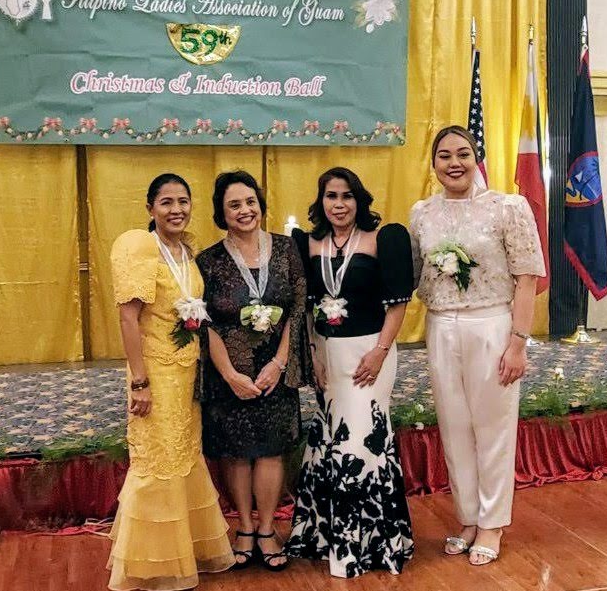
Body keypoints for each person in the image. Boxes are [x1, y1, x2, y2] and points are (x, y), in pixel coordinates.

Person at [410, 125, 545, 566]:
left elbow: (527, 277)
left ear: (476, 157)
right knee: (453, 426)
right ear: (433, 165)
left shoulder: (507, 207)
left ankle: (492, 523)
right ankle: (467, 517)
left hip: (491, 324)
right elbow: (412, 277)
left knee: (493, 428)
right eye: (445, 155)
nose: (454, 163)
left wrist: (518, 343)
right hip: (440, 326)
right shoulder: (422, 214)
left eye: (463, 154)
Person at [285, 166, 415, 578]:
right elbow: (303, 306)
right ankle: (329, 537)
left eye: (346, 196)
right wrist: (312, 352)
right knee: (330, 441)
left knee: (360, 443)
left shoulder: (383, 238)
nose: (338, 204)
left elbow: (397, 304)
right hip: (327, 355)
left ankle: (366, 545)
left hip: (370, 353)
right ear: (320, 201)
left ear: (359, 200)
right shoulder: (306, 243)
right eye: (331, 196)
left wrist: (380, 351)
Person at [107, 173, 234, 590]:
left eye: (183, 201)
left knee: (182, 455)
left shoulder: (183, 250)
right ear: (150, 209)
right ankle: (152, 564)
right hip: (155, 373)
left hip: (185, 373)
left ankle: (188, 550)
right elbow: (128, 317)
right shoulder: (140, 247)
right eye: (166, 202)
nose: (176, 209)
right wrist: (139, 381)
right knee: (157, 461)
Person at [196, 170, 311, 572]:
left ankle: (266, 529)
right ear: (221, 213)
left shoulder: (285, 248)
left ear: (260, 204)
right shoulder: (208, 261)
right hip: (230, 373)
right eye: (234, 205)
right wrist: (229, 374)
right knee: (236, 452)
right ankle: (243, 527)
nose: (245, 211)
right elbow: (204, 320)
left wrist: (280, 363)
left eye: (250, 202)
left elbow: (298, 307)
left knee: (271, 450)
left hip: (274, 371)